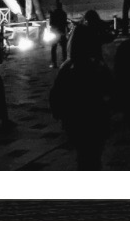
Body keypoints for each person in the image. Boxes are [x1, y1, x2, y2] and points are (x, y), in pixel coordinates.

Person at [49, 22, 114, 169]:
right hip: (96, 118)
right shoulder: (98, 66)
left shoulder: (68, 66)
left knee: (83, 156)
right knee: (94, 156)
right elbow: (110, 90)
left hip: (74, 119)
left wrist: (59, 112)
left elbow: (57, 94)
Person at [49, 0, 69, 67]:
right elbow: (65, 24)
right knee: (64, 48)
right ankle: (65, 62)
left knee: (54, 48)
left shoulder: (53, 13)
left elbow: (51, 24)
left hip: (55, 33)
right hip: (62, 32)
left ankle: (54, 63)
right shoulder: (64, 13)